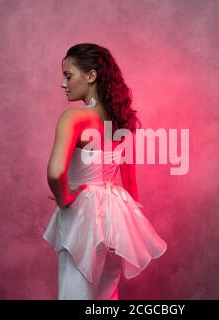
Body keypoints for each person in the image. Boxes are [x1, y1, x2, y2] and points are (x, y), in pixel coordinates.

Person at [43, 43, 167, 300]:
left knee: (75, 292)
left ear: (91, 76)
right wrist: (125, 218)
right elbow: (130, 182)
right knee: (106, 296)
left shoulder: (74, 118)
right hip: (117, 216)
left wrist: (64, 197)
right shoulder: (121, 120)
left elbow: (56, 172)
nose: (63, 84)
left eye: (68, 75)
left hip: (82, 216)